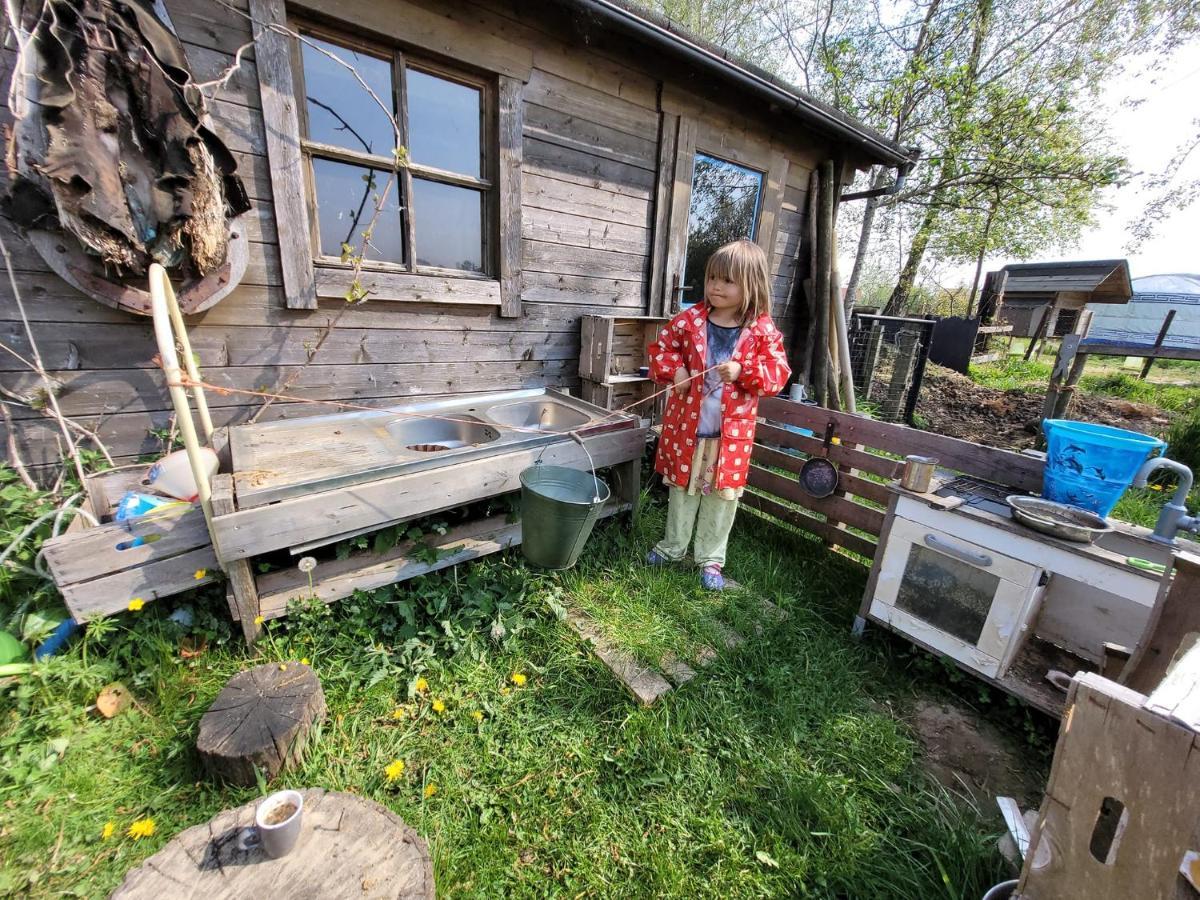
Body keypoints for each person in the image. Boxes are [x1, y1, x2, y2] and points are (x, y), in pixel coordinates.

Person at [645, 239, 791, 590]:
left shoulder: (761, 330)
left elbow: (778, 374)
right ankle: (672, 547)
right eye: (712, 278)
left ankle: (710, 559)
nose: (715, 286)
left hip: (730, 437)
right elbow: (661, 348)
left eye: (727, 281)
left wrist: (744, 371)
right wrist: (676, 371)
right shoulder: (690, 320)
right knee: (682, 489)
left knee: (721, 498)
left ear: (751, 284)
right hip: (687, 428)